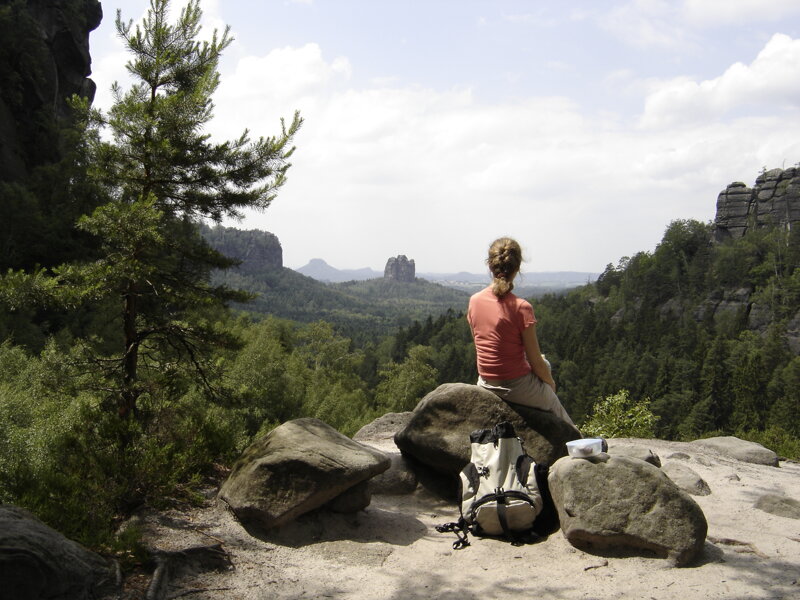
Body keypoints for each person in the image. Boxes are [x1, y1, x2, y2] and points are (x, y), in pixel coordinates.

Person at [467, 237, 576, 427]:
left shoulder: (474, 301)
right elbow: (536, 363)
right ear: (517, 268)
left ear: (490, 266)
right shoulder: (521, 307)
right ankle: (577, 442)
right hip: (515, 387)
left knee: (545, 363)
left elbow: (483, 347)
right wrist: (550, 386)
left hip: (485, 382)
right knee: (561, 415)